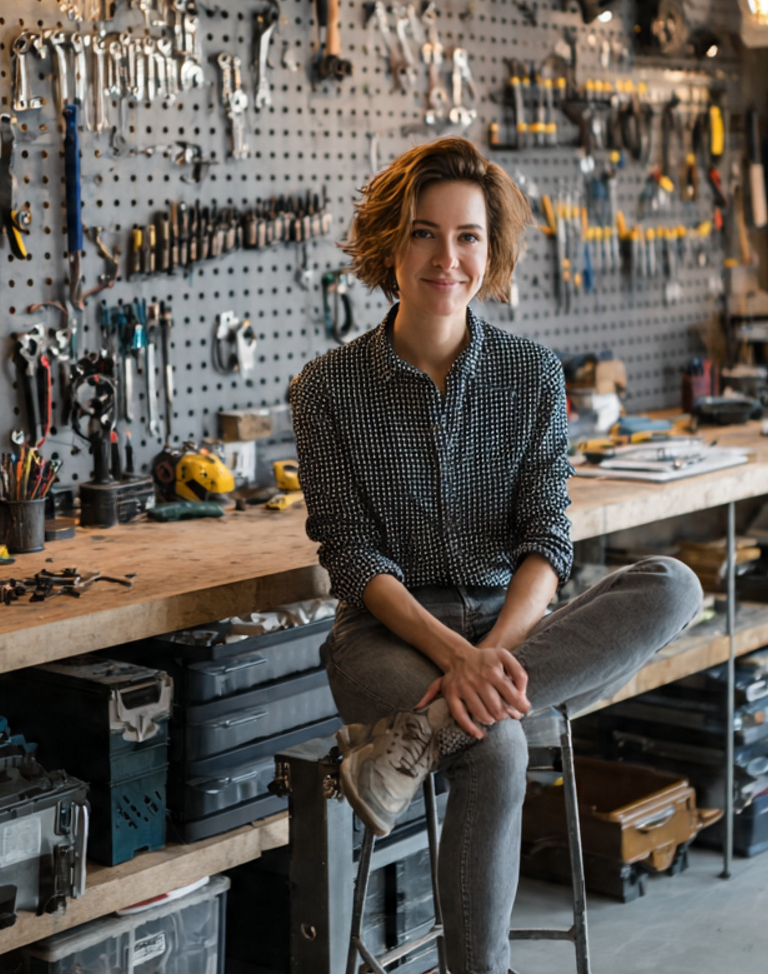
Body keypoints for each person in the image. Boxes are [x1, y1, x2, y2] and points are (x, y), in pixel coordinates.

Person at [290, 136, 702, 974]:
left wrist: (490, 657)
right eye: (423, 234)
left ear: (492, 247)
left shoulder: (532, 374)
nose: (449, 258)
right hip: (385, 638)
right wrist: (457, 657)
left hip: (512, 629)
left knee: (674, 585)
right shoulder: (327, 389)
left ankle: (416, 741)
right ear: (387, 247)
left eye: (468, 236)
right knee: (500, 743)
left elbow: (548, 539)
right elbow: (354, 557)